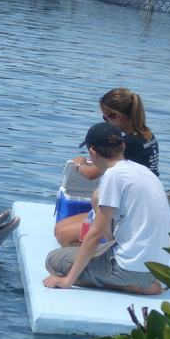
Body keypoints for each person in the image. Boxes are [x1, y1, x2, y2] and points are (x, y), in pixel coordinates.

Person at [43, 122, 170, 295]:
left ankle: (127, 285)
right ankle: (133, 280)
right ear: (123, 146)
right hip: (158, 268)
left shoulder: (113, 175)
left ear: (92, 152)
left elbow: (95, 235)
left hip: (131, 269)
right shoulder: (143, 170)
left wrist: (67, 281)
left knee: (53, 261)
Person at [54, 87, 159, 247]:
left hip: (131, 211)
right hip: (140, 203)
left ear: (118, 116)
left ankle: (106, 257)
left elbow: (90, 174)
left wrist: (79, 163)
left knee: (63, 235)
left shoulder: (128, 144)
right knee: (60, 228)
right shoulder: (148, 137)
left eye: (105, 117)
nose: (104, 121)